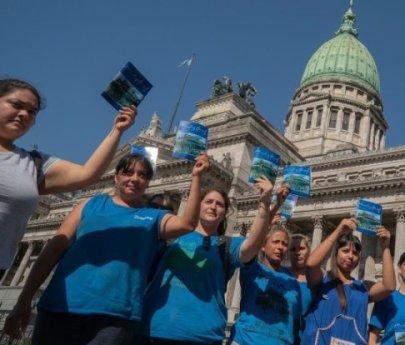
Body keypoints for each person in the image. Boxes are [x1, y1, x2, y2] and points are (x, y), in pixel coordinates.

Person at [3, 152, 208, 344]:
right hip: (62, 306)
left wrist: (196, 178)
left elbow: (187, 224)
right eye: (127, 172)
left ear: (147, 183)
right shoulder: (89, 205)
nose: (134, 179)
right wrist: (25, 298)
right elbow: (52, 251)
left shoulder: (154, 218)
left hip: (116, 316)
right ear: (115, 177)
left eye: (142, 175)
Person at [0, 78, 137, 278]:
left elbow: (87, 174)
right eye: (17, 105)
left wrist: (117, 130)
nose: (24, 114)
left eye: (32, 111)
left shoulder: (33, 163)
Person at [135, 182, 286, 345]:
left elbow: (254, 244)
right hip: (155, 330)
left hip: (204, 336)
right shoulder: (171, 235)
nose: (213, 207)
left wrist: (265, 203)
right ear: (197, 205)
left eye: (219, 204)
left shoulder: (227, 245)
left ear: (225, 213)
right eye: (208, 202)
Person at [301, 218, 395, 345]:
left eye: (355, 253)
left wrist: (385, 248)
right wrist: (338, 231)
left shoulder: (362, 287)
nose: (351, 256)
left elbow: (389, 286)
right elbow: (311, 264)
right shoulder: (323, 280)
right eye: (345, 251)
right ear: (336, 253)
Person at [229, 224, 302, 345]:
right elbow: (251, 244)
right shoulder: (253, 268)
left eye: (284, 244)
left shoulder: (293, 282)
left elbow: (295, 321)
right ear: (263, 246)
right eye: (276, 242)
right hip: (245, 341)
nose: (280, 247)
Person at [289, 233, 314, 345]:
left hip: (306, 338)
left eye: (301, 248)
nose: (297, 252)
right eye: (293, 249)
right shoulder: (282, 275)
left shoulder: (316, 280)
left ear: (309, 251)